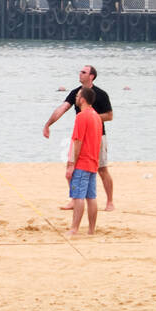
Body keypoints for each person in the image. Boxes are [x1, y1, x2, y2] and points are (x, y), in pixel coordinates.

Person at [43, 64, 114, 211]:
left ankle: (110, 202)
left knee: (102, 169)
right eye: (80, 72)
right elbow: (62, 108)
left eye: (83, 72)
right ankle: (74, 199)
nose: (80, 74)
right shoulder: (76, 93)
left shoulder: (100, 94)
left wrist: (91, 118)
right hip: (80, 136)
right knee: (72, 168)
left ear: (91, 76)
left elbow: (109, 116)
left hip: (98, 136)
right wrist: (48, 124)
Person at [66, 88, 103, 236]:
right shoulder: (96, 116)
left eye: (77, 95)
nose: (76, 97)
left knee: (78, 196)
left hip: (83, 161)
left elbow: (78, 141)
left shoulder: (82, 116)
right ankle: (91, 230)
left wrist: (72, 163)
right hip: (93, 161)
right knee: (91, 197)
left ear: (82, 99)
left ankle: (74, 228)